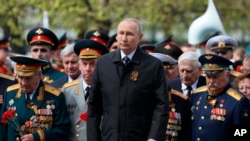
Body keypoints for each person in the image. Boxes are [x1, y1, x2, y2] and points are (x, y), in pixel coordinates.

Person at [87, 18, 168, 141]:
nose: (124, 38)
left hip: (140, 136)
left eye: (129, 34)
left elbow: (161, 105)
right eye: (121, 33)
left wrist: (154, 137)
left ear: (140, 37)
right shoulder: (104, 63)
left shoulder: (153, 65)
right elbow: (94, 106)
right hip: (110, 137)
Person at [0, 56, 71, 141]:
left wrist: (37, 136)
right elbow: (2, 127)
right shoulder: (10, 93)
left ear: (39, 75)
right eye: (20, 77)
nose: (23, 83)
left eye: (28, 78)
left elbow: (63, 129)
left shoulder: (55, 97)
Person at [191, 54, 250, 141]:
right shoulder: (198, 94)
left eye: (215, 77)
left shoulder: (238, 101)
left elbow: (241, 135)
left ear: (228, 75)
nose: (211, 81)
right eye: (208, 77)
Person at [62, 39, 109, 141]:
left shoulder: (109, 90)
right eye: (84, 63)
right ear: (79, 65)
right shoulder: (68, 90)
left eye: (92, 64)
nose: (88, 69)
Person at [150, 52, 191, 141]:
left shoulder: (180, 101)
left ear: (168, 76)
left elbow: (185, 135)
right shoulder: (133, 97)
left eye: (159, 76)